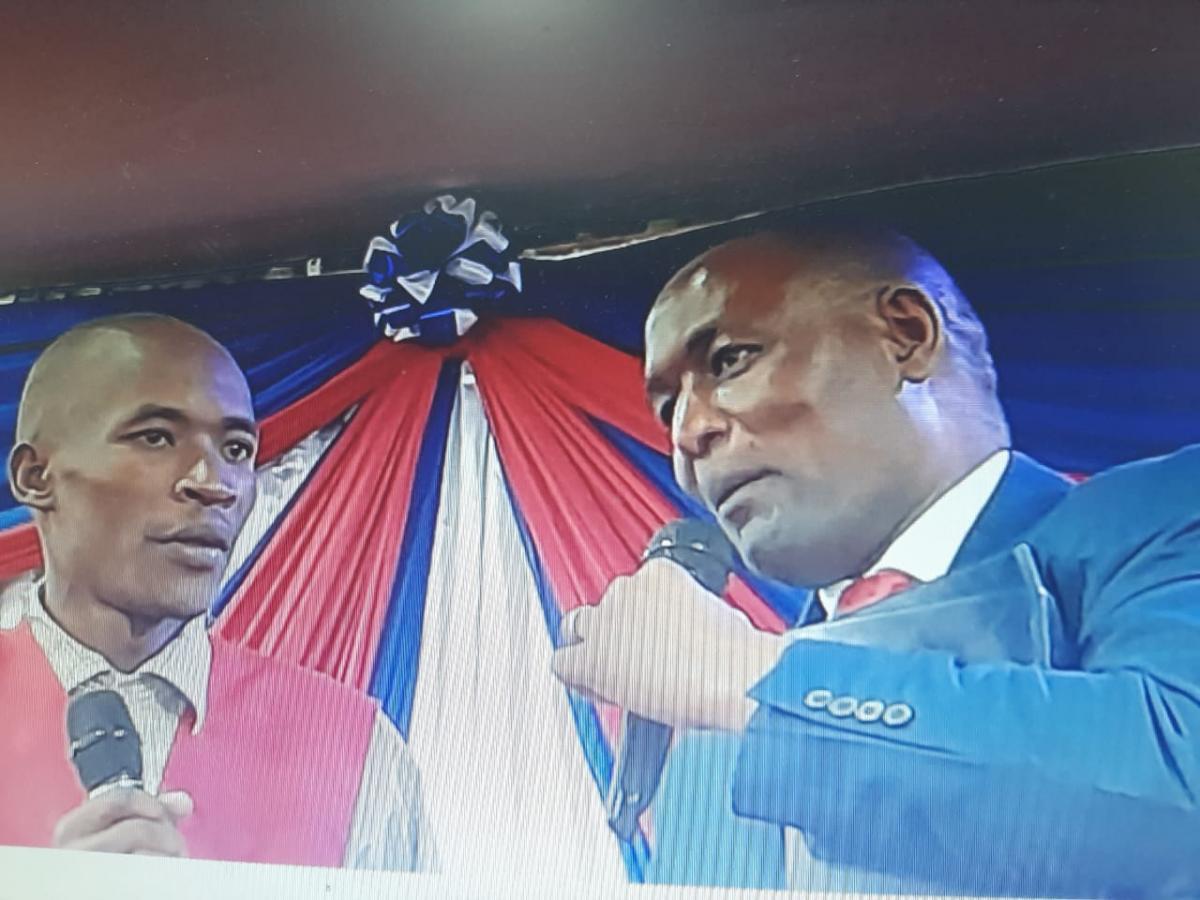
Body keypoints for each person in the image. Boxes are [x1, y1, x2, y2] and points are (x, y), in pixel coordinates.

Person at [551, 230, 1200, 894]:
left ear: (906, 334)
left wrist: (752, 681)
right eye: (667, 410)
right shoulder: (716, 744)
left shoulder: (1170, 514)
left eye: (730, 360)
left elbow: (1181, 798)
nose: (688, 434)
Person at [0, 313, 432, 870]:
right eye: (156, 438)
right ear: (35, 477)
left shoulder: (353, 748)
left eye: (236, 450)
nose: (213, 483)